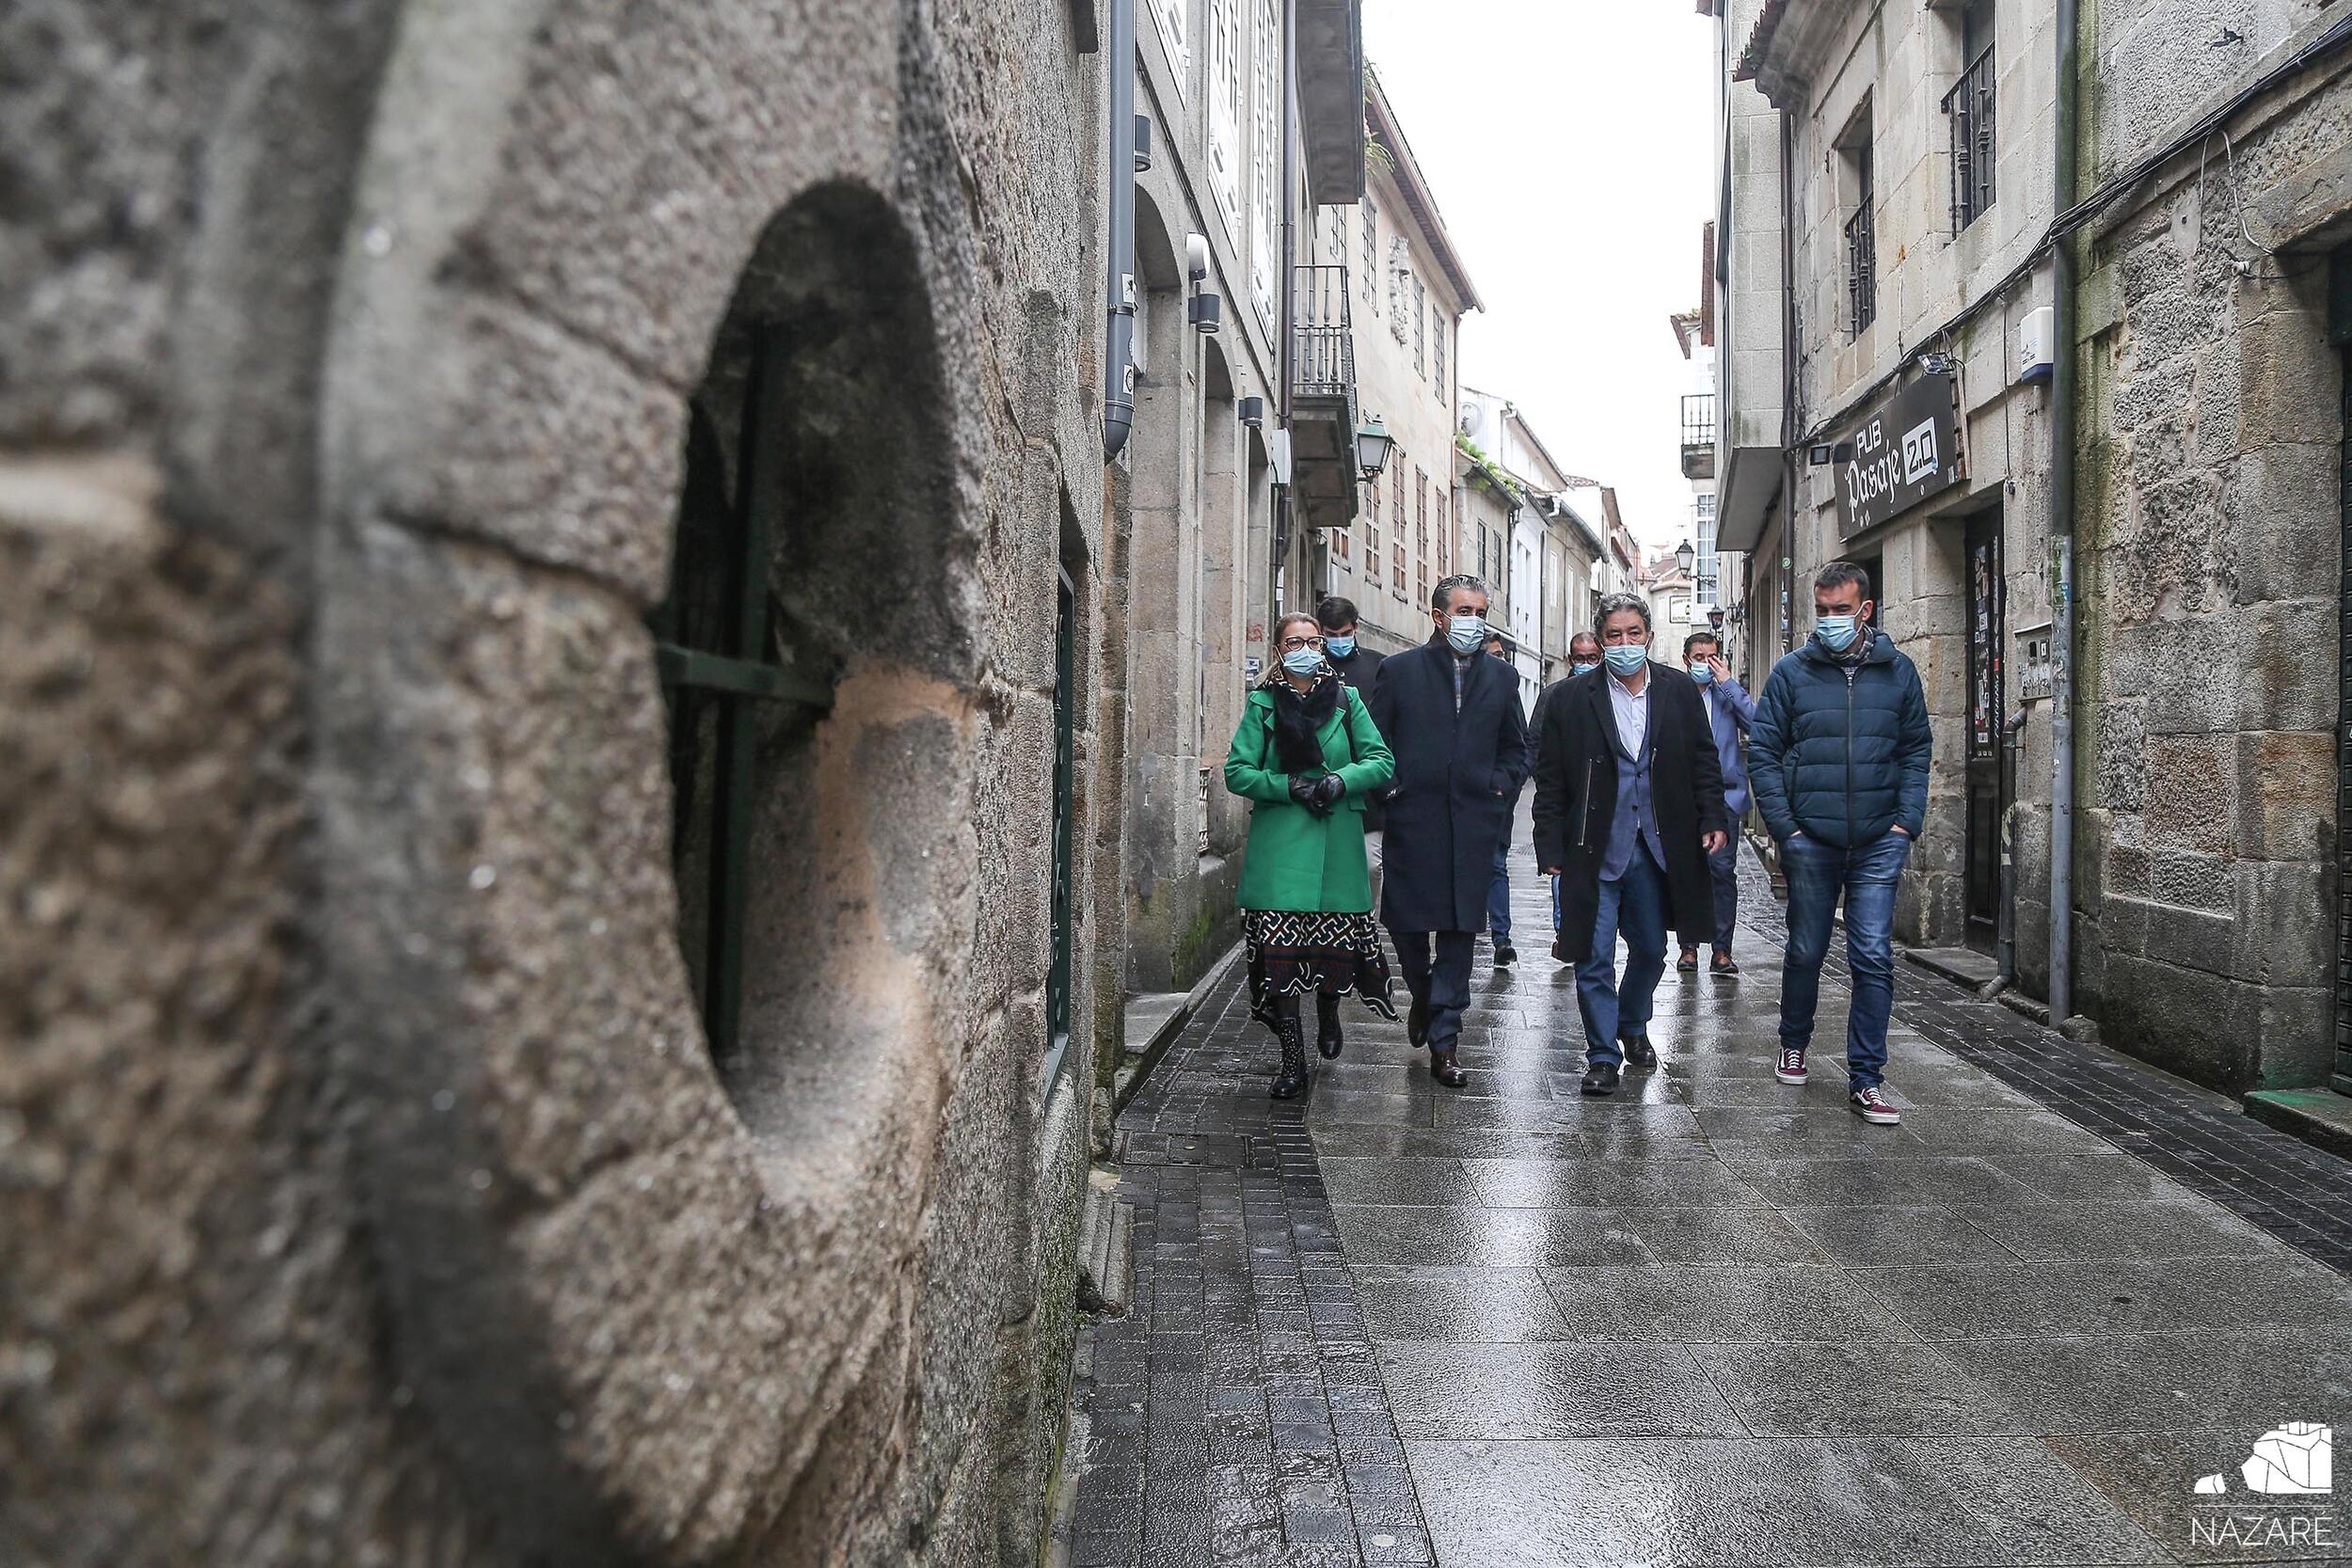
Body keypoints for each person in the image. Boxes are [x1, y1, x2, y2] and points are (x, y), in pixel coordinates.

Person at [1748, 562, 1932, 1126]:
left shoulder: (1898, 673)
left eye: (1840, 610)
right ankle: (1794, 1040)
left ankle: (1867, 1078)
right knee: (1806, 948)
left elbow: (1916, 750)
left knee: (1872, 955)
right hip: (1812, 839)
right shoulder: (1791, 674)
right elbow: (1764, 753)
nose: (1829, 620)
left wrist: (1906, 824)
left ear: (1866, 611)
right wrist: (1788, 830)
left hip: (1880, 838)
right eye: (1821, 610)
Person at [1533, 595, 1728, 1097]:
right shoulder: (1569, 698)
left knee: (1651, 948)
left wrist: (1712, 817)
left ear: (1649, 635)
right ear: (1600, 641)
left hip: (1656, 846)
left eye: (1634, 633)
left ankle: (1632, 1022)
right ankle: (1602, 1054)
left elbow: (1704, 760)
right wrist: (1550, 844)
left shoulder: (1678, 689)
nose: (1625, 643)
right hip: (1593, 847)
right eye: (1614, 636)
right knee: (1592, 954)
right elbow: (1550, 780)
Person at [1223, 613, 1399, 1098]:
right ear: (1279, 651)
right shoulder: (1261, 705)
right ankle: (1292, 1062)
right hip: (1281, 851)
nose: (1305, 648)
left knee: (1334, 954)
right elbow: (1237, 772)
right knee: (1279, 962)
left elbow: (1380, 759)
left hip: (1338, 844)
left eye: (1312, 640)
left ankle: (1329, 1012)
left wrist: (1341, 780)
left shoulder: (1348, 699)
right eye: (1293, 642)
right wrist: (1287, 785)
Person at [1367, 575, 1529, 1089]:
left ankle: (1446, 1040)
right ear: (1439, 616)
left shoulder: (1502, 678)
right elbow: (1375, 740)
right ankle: (1423, 993)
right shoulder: (1399, 671)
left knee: (1460, 931)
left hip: (1474, 822)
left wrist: (1498, 786)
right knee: (1408, 926)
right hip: (1415, 820)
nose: (1474, 621)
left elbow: (1517, 748)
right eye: (1465, 611)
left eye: (1480, 611)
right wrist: (1392, 790)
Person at [1677, 629, 1756, 977]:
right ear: (1686, 660)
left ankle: (1722, 949)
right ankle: (1689, 947)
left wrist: (1728, 683)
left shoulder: (1726, 695)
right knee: (1688, 873)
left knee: (1722, 873)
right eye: (1699, 658)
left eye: (1712, 657)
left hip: (1725, 796)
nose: (1705, 664)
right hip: (1684, 797)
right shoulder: (1675, 695)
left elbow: (1758, 723)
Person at [1535, 632, 1604, 964]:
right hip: (1567, 803)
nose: (1586, 664)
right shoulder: (1554, 696)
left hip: (1599, 804)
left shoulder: (1611, 694)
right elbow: (1535, 744)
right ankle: (1565, 933)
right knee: (1561, 874)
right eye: (1580, 658)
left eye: (1593, 657)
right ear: (1569, 658)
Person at [1318, 596, 1387, 904]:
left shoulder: (1378, 666)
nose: (1338, 641)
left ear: (1356, 628)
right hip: (1318, 780)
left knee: (1372, 865)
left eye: (1344, 633)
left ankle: (1367, 930)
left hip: (1367, 784)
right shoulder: (1308, 665)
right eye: (1330, 635)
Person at [1483, 627, 1521, 968]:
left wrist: (1505, 785)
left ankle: (1501, 937)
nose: (1500, 663)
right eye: (1493, 656)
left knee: (1496, 865)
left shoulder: (1507, 690)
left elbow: (1519, 744)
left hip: (1496, 798)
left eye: (1502, 656)